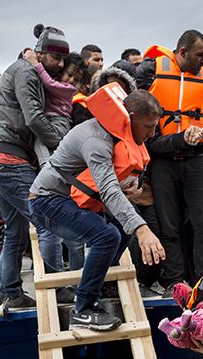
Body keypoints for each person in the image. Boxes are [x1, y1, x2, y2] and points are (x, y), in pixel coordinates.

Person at [28, 86, 165, 330]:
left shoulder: (120, 133)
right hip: (47, 201)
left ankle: (101, 282)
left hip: (73, 200)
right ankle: (84, 308)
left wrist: (132, 189)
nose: (152, 133)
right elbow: (108, 189)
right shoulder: (96, 140)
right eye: (148, 126)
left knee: (121, 231)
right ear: (131, 117)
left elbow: (116, 181)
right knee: (107, 235)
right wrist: (142, 229)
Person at [0, 24, 71, 312]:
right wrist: (60, 144)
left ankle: (9, 292)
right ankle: (57, 289)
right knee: (49, 221)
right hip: (9, 161)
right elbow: (33, 117)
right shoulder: (26, 71)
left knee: (16, 229)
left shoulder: (25, 71)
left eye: (62, 60)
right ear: (41, 54)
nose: (59, 65)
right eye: (56, 59)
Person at [135, 30, 203, 290]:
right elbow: (138, 116)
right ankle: (174, 283)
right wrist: (179, 138)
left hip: (197, 160)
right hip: (162, 159)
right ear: (183, 52)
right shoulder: (149, 71)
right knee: (169, 226)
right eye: (200, 54)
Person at [22, 49, 87, 164]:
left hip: (60, 122)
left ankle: (46, 168)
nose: (71, 80)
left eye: (76, 79)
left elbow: (49, 83)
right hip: (51, 121)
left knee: (40, 141)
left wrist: (36, 64)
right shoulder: (57, 80)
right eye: (69, 75)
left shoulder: (69, 89)